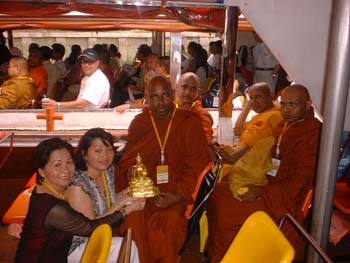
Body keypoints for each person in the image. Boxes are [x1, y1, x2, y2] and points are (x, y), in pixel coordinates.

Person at [206, 84, 321, 262]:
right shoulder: (287, 125)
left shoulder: (311, 133)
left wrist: (262, 192)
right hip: (269, 185)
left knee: (227, 213)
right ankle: (219, 254)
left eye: (293, 105)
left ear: (307, 105)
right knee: (218, 193)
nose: (287, 110)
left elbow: (300, 183)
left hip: (283, 199)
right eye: (283, 105)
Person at [115, 75, 211, 263]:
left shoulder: (189, 122)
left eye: (165, 95)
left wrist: (179, 194)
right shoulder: (140, 123)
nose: (160, 103)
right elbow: (127, 162)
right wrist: (132, 176)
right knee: (132, 221)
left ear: (173, 94)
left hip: (174, 191)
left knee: (170, 222)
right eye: (155, 97)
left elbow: (197, 165)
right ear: (147, 98)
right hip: (144, 194)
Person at [15, 138, 145, 263]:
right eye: (57, 165)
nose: (65, 170)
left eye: (69, 162)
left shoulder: (48, 190)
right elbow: (91, 228)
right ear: (41, 171)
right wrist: (126, 210)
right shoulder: (52, 207)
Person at [65, 128, 140, 262]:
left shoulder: (107, 171)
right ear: (84, 154)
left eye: (109, 150)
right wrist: (123, 205)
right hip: (78, 246)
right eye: (98, 151)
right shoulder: (77, 183)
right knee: (126, 246)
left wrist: (130, 192)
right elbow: (91, 227)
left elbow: (106, 202)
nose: (105, 156)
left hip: (102, 236)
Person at [42, 48, 110, 109]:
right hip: (84, 115)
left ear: (97, 63)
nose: (86, 65)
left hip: (91, 119)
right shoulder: (88, 77)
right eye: (83, 61)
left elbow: (83, 104)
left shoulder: (98, 79)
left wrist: (57, 105)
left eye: (90, 61)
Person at [176, 72, 213, 145]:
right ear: (177, 87)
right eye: (184, 87)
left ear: (197, 92)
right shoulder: (169, 109)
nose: (188, 92)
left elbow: (205, 143)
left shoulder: (202, 115)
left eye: (193, 89)